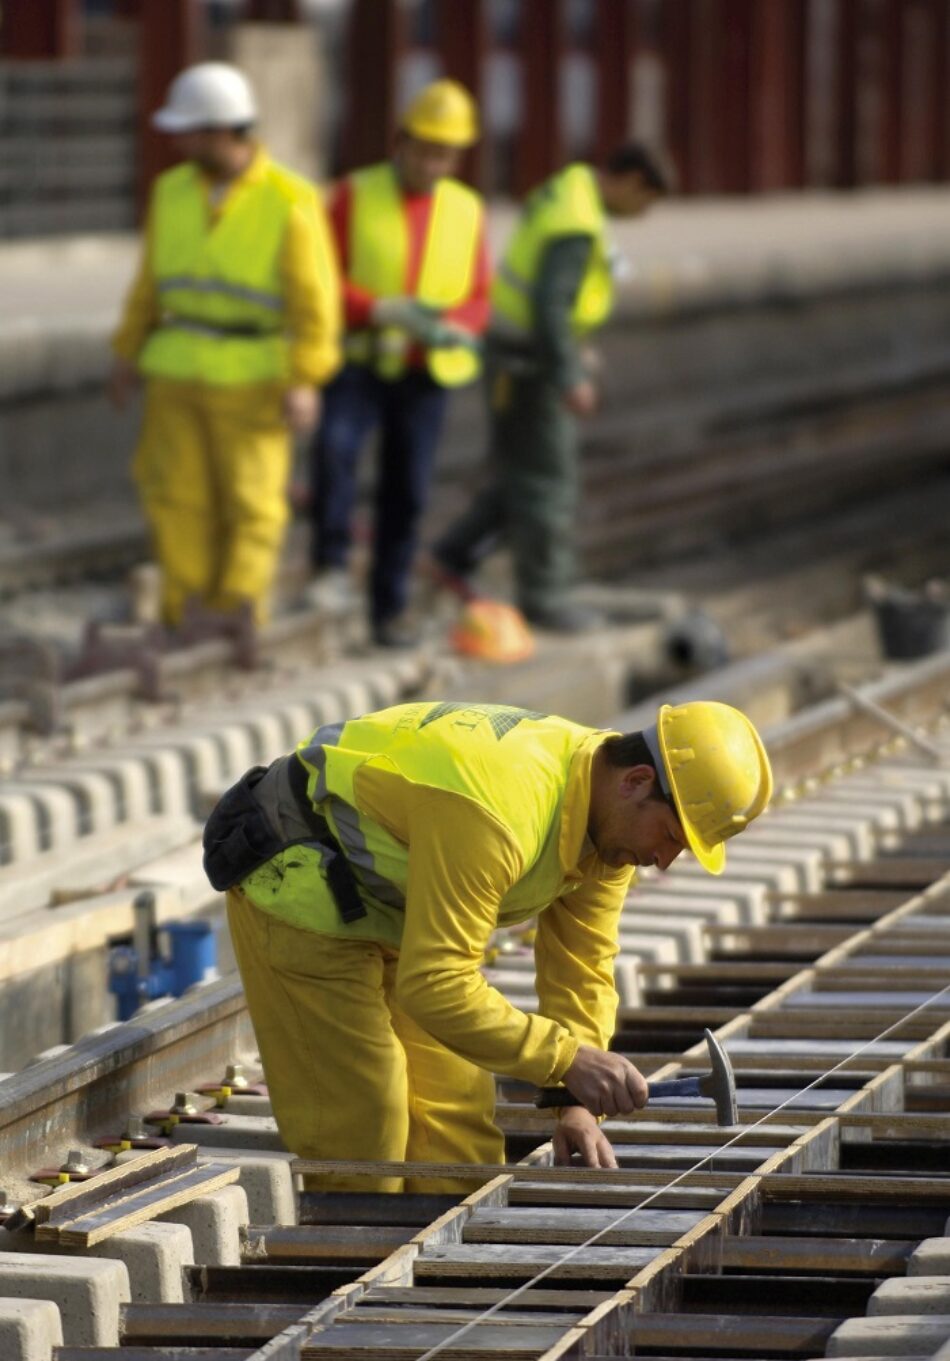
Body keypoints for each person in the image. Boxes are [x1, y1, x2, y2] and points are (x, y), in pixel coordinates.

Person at [204, 698, 772, 1192]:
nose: (664, 861)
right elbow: (436, 984)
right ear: (637, 781)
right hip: (303, 888)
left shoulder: (606, 822)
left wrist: (571, 1102)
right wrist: (566, 1059)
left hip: (401, 904)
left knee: (460, 1131)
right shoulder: (498, 810)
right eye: (672, 837)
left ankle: (430, 1293)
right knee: (365, 1131)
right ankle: (350, 1279)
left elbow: (582, 968)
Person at [109, 62, 341, 631]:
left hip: (252, 377)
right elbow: (148, 286)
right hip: (176, 371)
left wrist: (306, 376)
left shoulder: (289, 199)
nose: (179, 142)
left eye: (189, 131)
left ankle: (235, 616)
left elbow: (316, 302)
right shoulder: (171, 192)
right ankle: (183, 616)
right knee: (175, 497)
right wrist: (126, 352)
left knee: (252, 503)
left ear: (222, 130)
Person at [432, 144, 667, 634]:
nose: (644, 215)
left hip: (517, 354)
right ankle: (545, 596)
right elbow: (551, 306)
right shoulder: (577, 223)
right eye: (646, 201)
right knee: (547, 482)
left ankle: (450, 556)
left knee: (522, 473)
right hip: (529, 365)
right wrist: (570, 374)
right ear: (632, 181)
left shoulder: (571, 188)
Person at [309, 79, 491, 649]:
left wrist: (455, 326)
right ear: (401, 143)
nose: (434, 163)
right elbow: (316, 282)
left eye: (446, 153)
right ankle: (331, 565)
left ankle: (388, 612)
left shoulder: (466, 209)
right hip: (359, 361)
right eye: (425, 149)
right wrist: (375, 308)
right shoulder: (351, 195)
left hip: (424, 373)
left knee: (407, 493)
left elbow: (480, 294)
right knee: (334, 450)